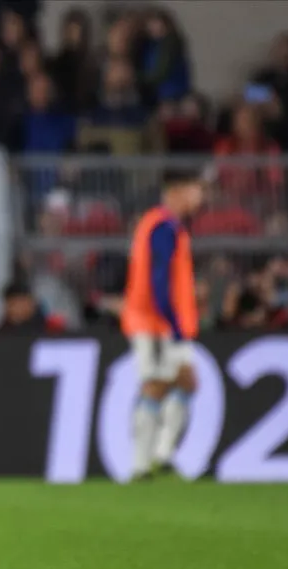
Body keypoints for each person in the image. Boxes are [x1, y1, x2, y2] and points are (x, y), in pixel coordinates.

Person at [121, 170, 204, 481]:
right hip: (156, 322)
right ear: (178, 191)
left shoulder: (165, 225)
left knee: (187, 382)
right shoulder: (163, 227)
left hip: (167, 321)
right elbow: (158, 279)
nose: (201, 198)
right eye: (196, 190)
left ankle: (163, 454)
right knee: (155, 386)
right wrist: (171, 321)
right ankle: (141, 465)